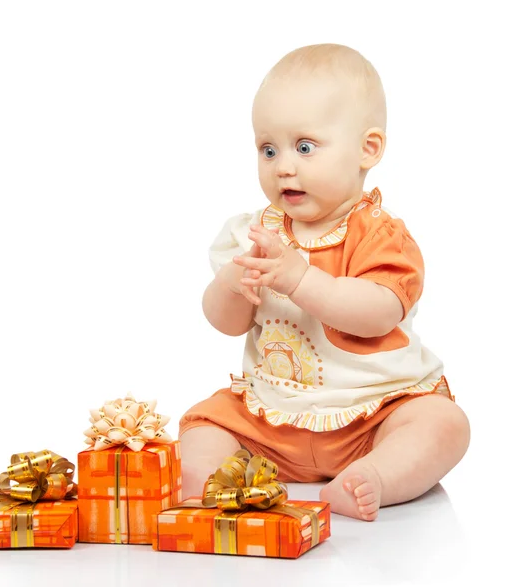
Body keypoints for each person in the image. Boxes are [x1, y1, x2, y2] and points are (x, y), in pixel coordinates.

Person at [178, 44, 470, 521]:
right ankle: (212, 482)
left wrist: (300, 279)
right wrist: (232, 284)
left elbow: (380, 313)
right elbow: (225, 323)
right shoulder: (252, 233)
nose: (283, 166)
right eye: (267, 149)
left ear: (367, 149)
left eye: (305, 147)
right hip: (269, 415)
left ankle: (372, 476)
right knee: (204, 425)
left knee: (443, 424)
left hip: (373, 414)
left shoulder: (379, 234)